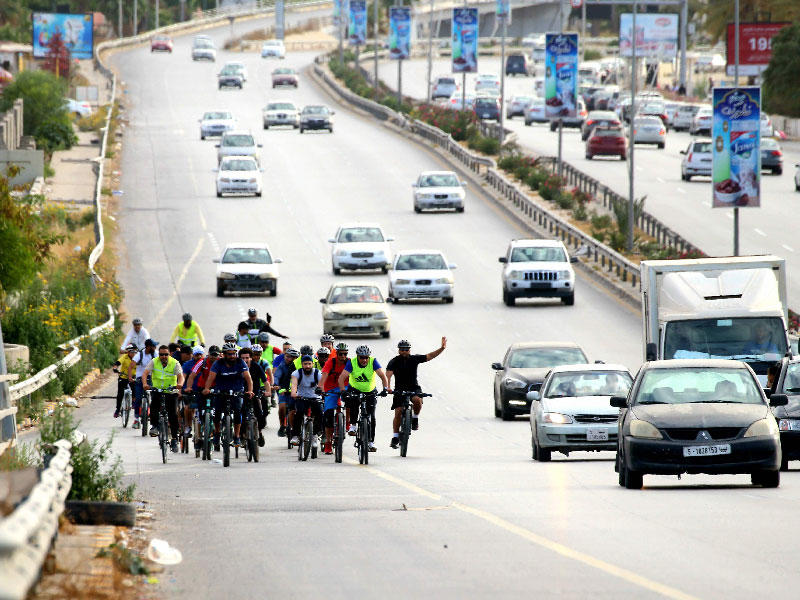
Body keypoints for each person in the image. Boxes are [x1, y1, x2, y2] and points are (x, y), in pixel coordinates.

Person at [385, 338, 446, 449]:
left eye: (406, 349)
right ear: (399, 350)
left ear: (409, 350)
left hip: (414, 387)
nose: (404, 351)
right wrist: (388, 387)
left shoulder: (414, 359)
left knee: (417, 401)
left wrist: (441, 348)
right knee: (398, 412)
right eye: (402, 349)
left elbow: (430, 356)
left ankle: (415, 418)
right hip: (399, 389)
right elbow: (388, 374)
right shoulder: (394, 361)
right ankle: (395, 437)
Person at [337, 345, 389, 452]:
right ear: (358, 357)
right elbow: (341, 378)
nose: (364, 360)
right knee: (353, 404)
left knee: (372, 417)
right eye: (362, 357)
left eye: (366, 357)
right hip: (354, 389)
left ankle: (371, 442)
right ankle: (353, 425)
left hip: (370, 391)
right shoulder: (352, 362)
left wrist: (385, 389)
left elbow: (383, 376)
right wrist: (343, 391)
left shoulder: (373, 361)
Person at [202, 342, 254, 450]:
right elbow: (211, 378)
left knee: (238, 411)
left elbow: (248, 378)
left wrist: (249, 391)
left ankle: (237, 436)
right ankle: (217, 433)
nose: (232, 356)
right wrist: (207, 389)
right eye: (229, 354)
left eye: (234, 354)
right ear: (224, 354)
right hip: (221, 390)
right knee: (217, 413)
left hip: (237, 390)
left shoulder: (240, 362)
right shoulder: (218, 363)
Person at [143, 345, 185, 452]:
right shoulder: (154, 362)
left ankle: (174, 439)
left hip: (171, 391)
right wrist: (145, 384)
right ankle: (154, 426)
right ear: (159, 355)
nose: (164, 356)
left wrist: (179, 384)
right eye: (161, 354)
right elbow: (145, 373)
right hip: (157, 390)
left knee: (173, 414)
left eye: (166, 354)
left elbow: (181, 376)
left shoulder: (175, 363)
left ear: (169, 354)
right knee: (154, 407)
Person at [319, 342, 349, 455]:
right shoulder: (330, 362)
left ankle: (348, 424)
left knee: (351, 401)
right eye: (340, 354)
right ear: (336, 353)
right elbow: (324, 377)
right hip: (330, 389)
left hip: (345, 388)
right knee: (328, 415)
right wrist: (320, 388)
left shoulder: (350, 362)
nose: (343, 357)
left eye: (345, 354)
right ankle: (328, 441)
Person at [184, 345, 220, 433]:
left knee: (218, 410)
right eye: (212, 355)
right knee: (200, 411)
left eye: (216, 355)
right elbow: (192, 375)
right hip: (202, 389)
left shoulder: (222, 362)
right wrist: (189, 387)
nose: (213, 357)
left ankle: (218, 429)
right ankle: (200, 431)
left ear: (219, 355)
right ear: (208, 354)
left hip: (217, 389)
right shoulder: (202, 362)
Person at [290, 355, 324, 450]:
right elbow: (294, 385)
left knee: (320, 414)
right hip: (302, 397)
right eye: (305, 364)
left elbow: (322, 386)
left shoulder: (317, 373)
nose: (307, 366)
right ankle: (295, 435)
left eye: (309, 364)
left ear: (313, 364)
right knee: (299, 413)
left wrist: (322, 392)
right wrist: (294, 393)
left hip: (315, 398)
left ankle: (315, 436)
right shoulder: (296, 373)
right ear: (302, 364)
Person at [244, 345, 269, 446]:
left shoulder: (257, 366)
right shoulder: (239, 366)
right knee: (240, 412)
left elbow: (265, 380)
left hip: (256, 393)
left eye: (247, 358)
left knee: (261, 412)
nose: (246, 360)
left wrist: (268, 391)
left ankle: (259, 432)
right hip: (242, 394)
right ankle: (242, 435)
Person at [130, 338, 158, 428]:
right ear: (148, 347)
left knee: (155, 399)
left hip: (151, 378)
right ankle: (136, 419)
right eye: (153, 346)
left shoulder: (155, 354)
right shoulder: (140, 354)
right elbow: (131, 366)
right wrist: (130, 377)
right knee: (138, 398)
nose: (155, 347)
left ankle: (154, 420)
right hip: (140, 378)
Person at [274, 347, 300, 437]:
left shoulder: (299, 366)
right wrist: (275, 384)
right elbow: (277, 376)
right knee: (282, 407)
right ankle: (282, 426)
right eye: (287, 356)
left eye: (293, 357)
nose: (289, 359)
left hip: (296, 391)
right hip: (283, 390)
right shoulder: (282, 365)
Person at [179, 347, 205, 439]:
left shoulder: (206, 364)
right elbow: (183, 378)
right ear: (193, 355)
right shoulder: (187, 365)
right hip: (190, 391)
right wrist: (180, 390)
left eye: (200, 354)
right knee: (187, 408)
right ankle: (188, 426)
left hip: (203, 391)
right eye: (196, 354)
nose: (198, 356)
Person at [112, 344, 137, 419]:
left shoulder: (137, 358)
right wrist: (115, 368)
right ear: (128, 352)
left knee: (135, 389)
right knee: (120, 393)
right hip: (123, 376)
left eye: (135, 351)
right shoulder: (124, 357)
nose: (133, 353)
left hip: (133, 377)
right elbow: (117, 363)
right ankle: (118, 409)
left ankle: (133, 402)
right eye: (131, 351)